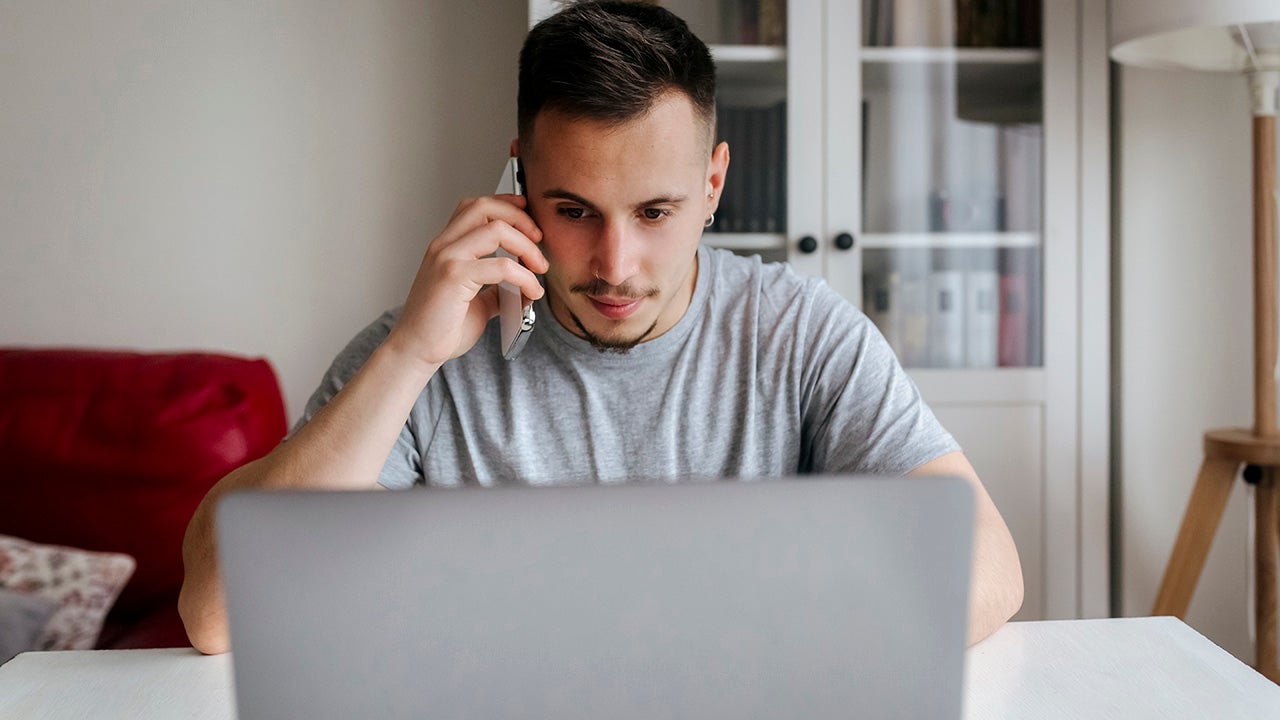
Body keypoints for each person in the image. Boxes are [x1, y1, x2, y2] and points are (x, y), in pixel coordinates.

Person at [179, 0, 1023, 656]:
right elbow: (215, 614)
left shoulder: (798, 332)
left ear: (716, 182)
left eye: (656, 210)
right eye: (573, 209)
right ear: (518, 177)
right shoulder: (422, 348)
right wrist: (408, 356)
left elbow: (989, 569)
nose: (615, 264)